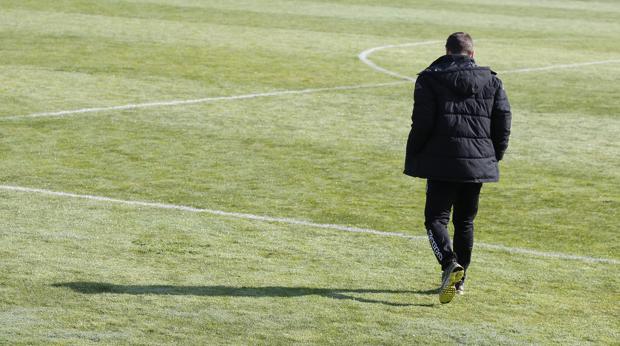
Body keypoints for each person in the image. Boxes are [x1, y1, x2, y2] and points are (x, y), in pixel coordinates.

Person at [403, 32, 511, 304]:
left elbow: (422, 122)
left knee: (435, 219)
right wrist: (492, 155)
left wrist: (414, 153)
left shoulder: (430, 78)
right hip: (478, 162)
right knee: (465, 221)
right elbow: (503, 121)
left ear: (447, 51)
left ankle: (450, 263)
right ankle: (459, 282)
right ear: (472, 54)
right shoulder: (492, 80)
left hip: (441, 161)